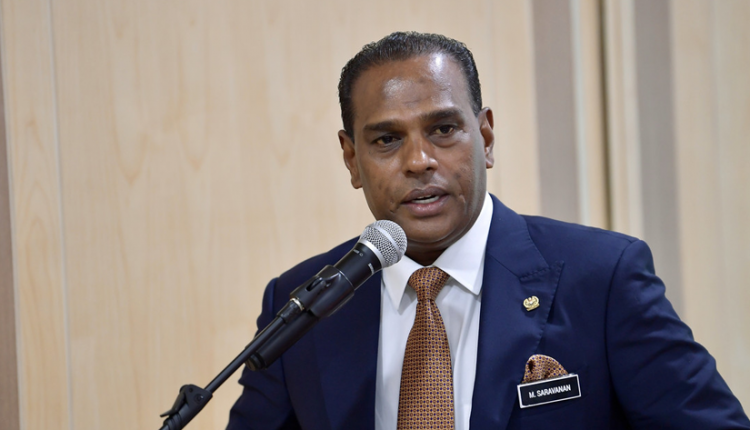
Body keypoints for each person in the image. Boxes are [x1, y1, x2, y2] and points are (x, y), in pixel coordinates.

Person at [227, 32, 749, 429]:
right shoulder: (302, 306)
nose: (419, 160)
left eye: (443, 129)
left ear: (486, 137)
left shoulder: (602, 278)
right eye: (387, 140)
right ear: (351, 159)